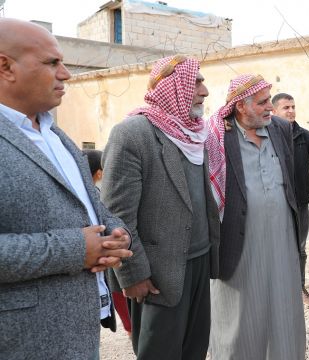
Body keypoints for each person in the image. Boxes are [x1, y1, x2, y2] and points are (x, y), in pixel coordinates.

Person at [0, 18, 132, 359]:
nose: (66, 74)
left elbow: (86, 205)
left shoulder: (54, 133)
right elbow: (74, 242)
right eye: (51, 63)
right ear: (5, 66)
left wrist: (114, 234)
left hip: (78, 332)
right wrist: (74, 249)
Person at [101, 55, 220, 359]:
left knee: (194, 350)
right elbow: (116, 215)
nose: (204, 91)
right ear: (172, 86)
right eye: (196, 82)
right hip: (157, 273)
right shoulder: (132, 133)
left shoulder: (195, 134)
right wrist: (133, 274)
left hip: (198, 262)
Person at [207, 74, 306, 359]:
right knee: (238, 314)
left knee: (283, 306)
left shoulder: (279, 129)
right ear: (241, 106)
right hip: (239, 239)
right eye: (262, 103)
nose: (270, 108)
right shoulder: (216, 136)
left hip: (281, 237)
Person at [271, 92, 309, 307]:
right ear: (274, 111)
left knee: (299, 247)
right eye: (285, 107)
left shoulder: (305, 136)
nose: (291, 111)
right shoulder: (268, 135)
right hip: (276, 204)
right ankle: (279, 288)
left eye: (293, 106)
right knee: (276, 247)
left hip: (300, 203)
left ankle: (299, 288)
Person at [83, 148, 133, 337]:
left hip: (107, 256)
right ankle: (129, 328)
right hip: (103, 259)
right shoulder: (95, 192)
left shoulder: (92, 191)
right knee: (117, 291)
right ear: (99, 173)